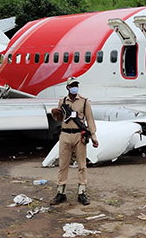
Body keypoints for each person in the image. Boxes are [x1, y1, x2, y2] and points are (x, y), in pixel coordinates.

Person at [50, 77, 99, 205]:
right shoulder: (62, 102)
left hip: (79, 135)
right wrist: (55, 114)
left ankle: (81, 192)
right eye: (72, 85)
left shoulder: (84, 102)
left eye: (76, 85)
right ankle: (61, 192)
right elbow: (59, 118)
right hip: (65, 134)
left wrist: (93, 136)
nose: (74, 87)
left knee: (82, 165)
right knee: (63, 164)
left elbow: (90, 119)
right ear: (68, 87)